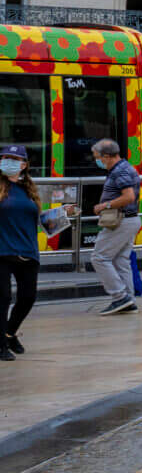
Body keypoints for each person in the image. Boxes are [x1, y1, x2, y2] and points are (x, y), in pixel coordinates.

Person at [87, 138, 142, 315]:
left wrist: (105, 205)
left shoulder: (120, 171)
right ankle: (129, 301)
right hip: (129, 220)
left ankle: (120, 297)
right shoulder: (123, 168)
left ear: (107, 156)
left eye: (98, 157)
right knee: (120, 260)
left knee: (99, 257)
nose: (97, 161)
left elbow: (128, 197)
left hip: (121, 221)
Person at [0, 145, 38, 357]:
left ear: (23, 165)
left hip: (28, 250)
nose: (7, 161)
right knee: (3, 298)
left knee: (28, 297)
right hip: (2, 250)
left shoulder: (28, 189)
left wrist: (57, 215)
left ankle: (9, 334)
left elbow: (32, 217)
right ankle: (1, 345)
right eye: (5, 157)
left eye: (14, 158)